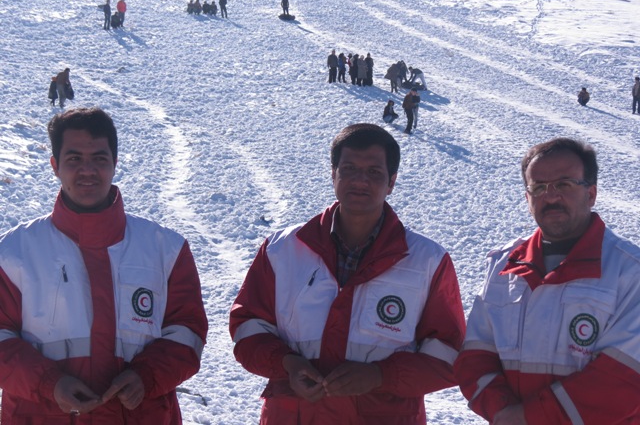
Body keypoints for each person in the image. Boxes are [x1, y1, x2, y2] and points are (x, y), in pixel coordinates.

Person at [229, 123, 465, 424]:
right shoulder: (282, 249)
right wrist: (287, 363)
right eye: (349, 169)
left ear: (392, 182)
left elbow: (447, 355)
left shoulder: (427, 260)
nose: (360, 181)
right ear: (333, 174)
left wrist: (380, 375)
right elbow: (248, 328)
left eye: (374, 172)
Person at [0, 107, 208, 423]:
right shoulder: (13, 253)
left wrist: (146, 376)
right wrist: (49, 384)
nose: (88, 170)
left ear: (115, 163)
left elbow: (187, 333)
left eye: (99, 158)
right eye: (74, 159)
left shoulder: (166, 249)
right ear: (55, 165)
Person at [454, 138, 640, 425]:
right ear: (527, 198)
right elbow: (475, 357)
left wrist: (526, 418)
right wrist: (502, 412)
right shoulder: (504, 265)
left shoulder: (630, 271)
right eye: (539, 187)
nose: (551, 197)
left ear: (591, 193)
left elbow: (625, 377)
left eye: (564, 184)